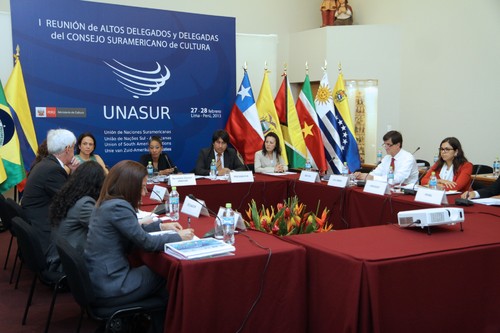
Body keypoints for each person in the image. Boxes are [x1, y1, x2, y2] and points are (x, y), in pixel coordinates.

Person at [84, 160, 194, 333]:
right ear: (130, 186)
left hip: (99, 278)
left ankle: (145, 322)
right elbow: (146, 242)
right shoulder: (119, 207)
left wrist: (161, 226)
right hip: (111, 285)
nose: (144, 192)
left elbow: (132, 229)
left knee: (153, 269)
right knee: (168, 275)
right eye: (142, 187)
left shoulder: (107, 202)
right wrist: (177, 236)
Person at [21, 129, 80, 254]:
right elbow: (71, 200)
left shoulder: (46, 163)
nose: (74, 152)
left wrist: (73, 171)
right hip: (44, 228)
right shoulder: (53, 170)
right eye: (74, 148)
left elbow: (65, 191)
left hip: (35, 219)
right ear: (68, 149)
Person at [46, 161, 106, 272]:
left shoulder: (70, 195)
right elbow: (104, 227)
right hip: (67, 265)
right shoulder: (84, 204)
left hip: (59, 256)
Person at [354, 130, 419, 185]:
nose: (386, 147)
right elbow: (377, 172)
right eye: (385, 144)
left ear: (398, 145)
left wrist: (372, 178)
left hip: (407, 192)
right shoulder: (387, 158)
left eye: (388, 145)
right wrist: (364, 175)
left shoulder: (408, 158)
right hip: (388, 188)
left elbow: (398, 179)